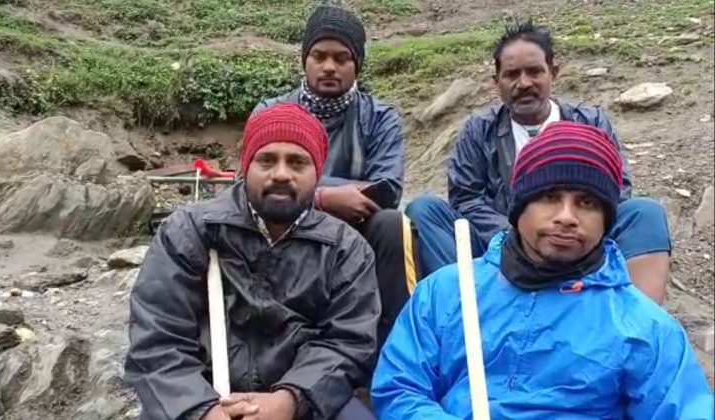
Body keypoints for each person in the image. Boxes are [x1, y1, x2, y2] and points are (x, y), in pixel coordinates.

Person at [371, 121, 714, 419]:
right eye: (549, 197)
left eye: (587, 203)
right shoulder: (445, 293)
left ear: (606, 220)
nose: (566, 216)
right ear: (519, 208)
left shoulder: (644, 328)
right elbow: (400, 389)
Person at [125, 104, 379, 420]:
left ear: (318, 174)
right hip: (201, 396)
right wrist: (201, 411)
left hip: (301, 401)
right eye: (267, 160)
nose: (282, 173)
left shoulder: (345, 249)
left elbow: (348, 344)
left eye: (298, 162)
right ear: (246, 167)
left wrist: (289, 401)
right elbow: (157, 339)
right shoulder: (190, 230)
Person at [406, 21, 671, 303]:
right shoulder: (479, 129)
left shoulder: (590, 121)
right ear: (496, 82)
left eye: (534, 72)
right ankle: (465, 310)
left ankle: (636, 321)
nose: (524, 83)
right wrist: (520, 231)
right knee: (425, 210)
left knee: (644, 212)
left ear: (553, 72)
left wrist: (572, 224)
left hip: (579, 240)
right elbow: (466, 197)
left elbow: (617, 189)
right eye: (511, 75)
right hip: (499, 245)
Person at [252, 5, 417, 347]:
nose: (329, 66)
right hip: (285, 224)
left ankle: (393, 349)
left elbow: (386, 189)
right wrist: (325, 198)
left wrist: (303, 191)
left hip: (357, 226)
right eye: (319, 56)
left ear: (357, 64)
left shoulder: (380, 117)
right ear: (305, 60)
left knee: (391, 223)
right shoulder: (271, 112)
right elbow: (249, 185)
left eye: (341, 58)